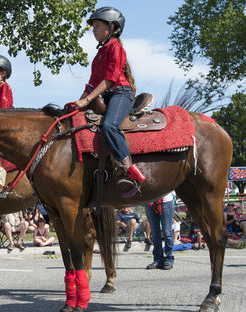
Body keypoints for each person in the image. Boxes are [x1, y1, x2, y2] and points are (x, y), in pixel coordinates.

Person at [74, 7, 145, 198]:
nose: (93, 30)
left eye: (97, 26)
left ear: (111, 27)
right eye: (93, 26)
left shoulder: (116, 48)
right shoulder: (99, 55)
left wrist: (88, 100)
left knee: (110, 125)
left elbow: (109, 80)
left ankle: (128, 169)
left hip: (121, 93)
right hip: (105, 95)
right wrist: (77, 104)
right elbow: (91, 84)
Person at [145, 192, 175, 270]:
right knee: (155, 233)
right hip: (150, 202)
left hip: (165, 201)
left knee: (167, 232)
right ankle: (157, 259)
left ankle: (169, 258)